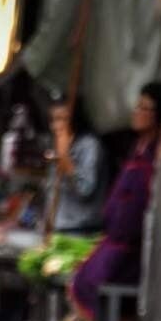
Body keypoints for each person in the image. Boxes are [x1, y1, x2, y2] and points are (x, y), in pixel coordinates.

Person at [69, 82, 161, 321]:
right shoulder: (135, 151)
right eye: (138, 106)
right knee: (81, 276)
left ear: (158, 116)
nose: (137, 113)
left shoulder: (158, 156)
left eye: (145, 108)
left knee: (96, 277)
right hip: (112, 242)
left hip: (132, 251)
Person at [47, 96, 106, 234]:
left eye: (62, 119)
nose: (57, 126)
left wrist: (65, 158)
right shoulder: (57, 146)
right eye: (54, 119)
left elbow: (85, 190)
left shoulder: (89, 145)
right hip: (59, 226)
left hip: (80, 229)